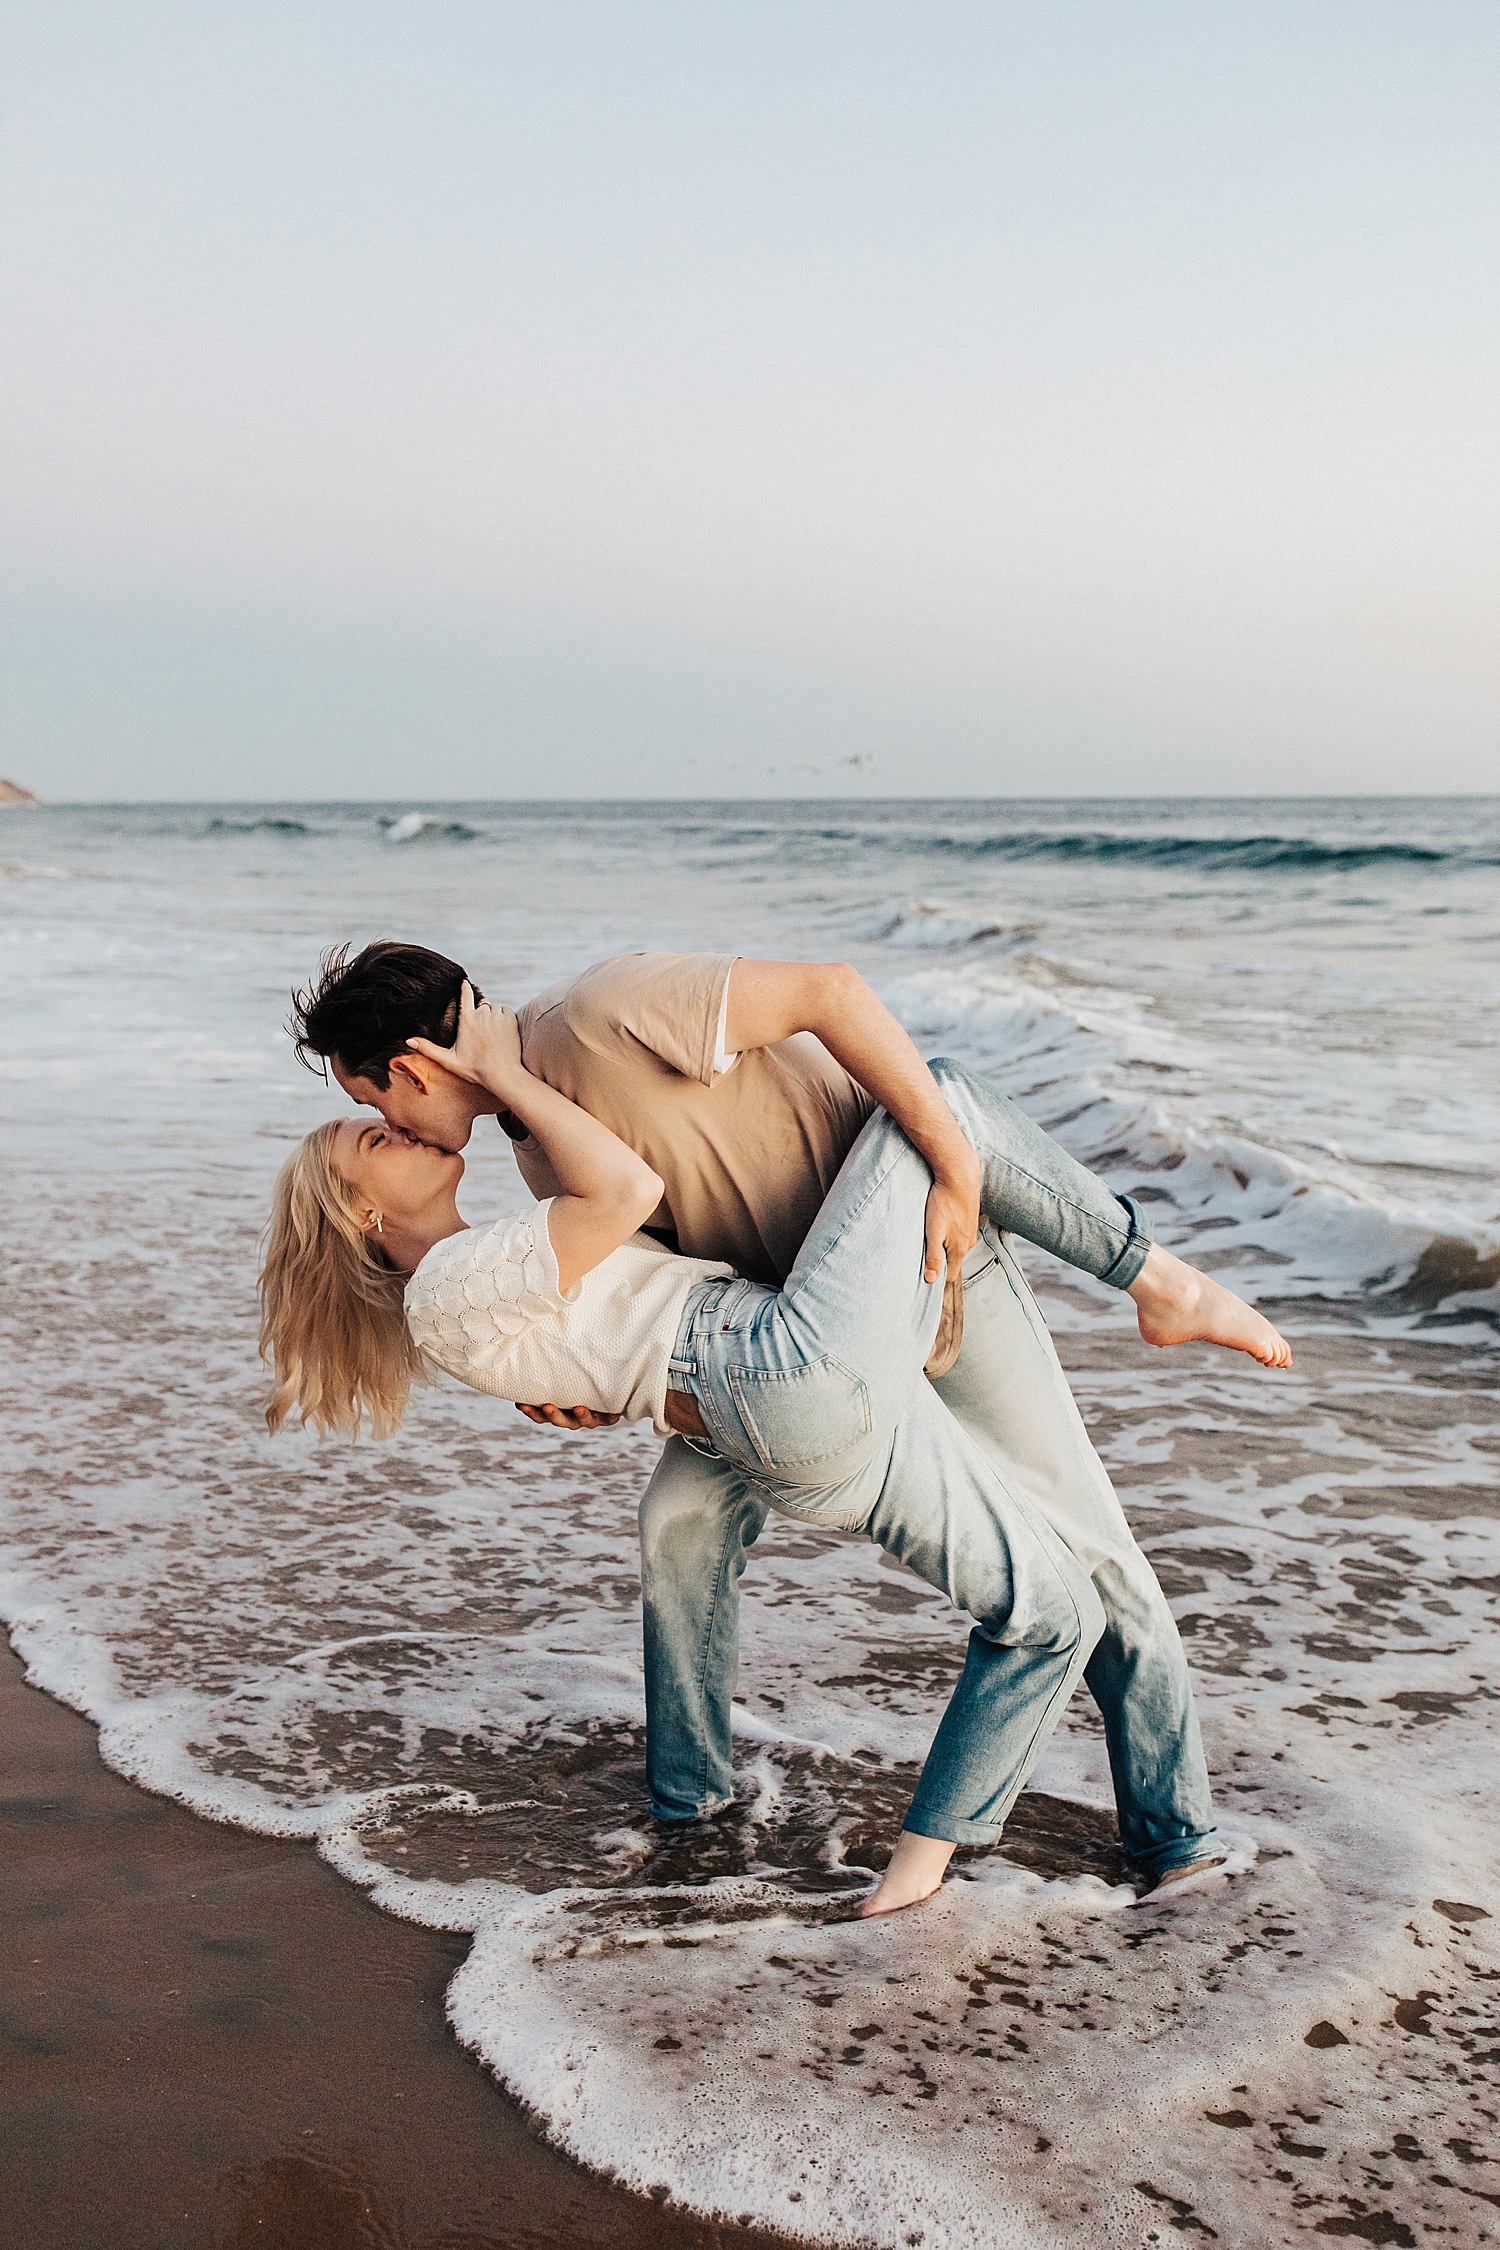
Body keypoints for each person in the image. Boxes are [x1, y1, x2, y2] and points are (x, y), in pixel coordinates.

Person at [288, 943, 1290, 1897]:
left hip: (927, 1270)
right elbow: (645, 1294)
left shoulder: (606, 1010)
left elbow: (832, 992)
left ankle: (1176, 1839)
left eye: (369, 1099)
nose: (391, 1123)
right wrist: (583, 1388)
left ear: (413, 1068)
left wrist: (950, 1163)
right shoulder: (538, 1149)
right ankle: (692, 1801)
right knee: (677, 1529)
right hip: (779, 1345)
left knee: (1089, 1547)